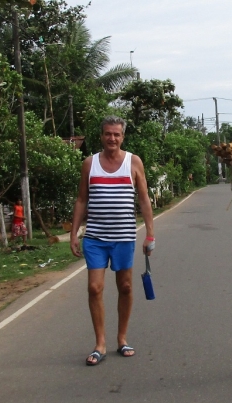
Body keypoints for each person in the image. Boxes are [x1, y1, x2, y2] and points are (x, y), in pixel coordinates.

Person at [70, 116, 154, 366]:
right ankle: (100, 343)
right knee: (94, 288)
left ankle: (122, 338)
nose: (112, 138)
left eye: (117, 134)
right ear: (101, 136)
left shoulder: (133, 162)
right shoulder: (90, 163)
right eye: (108, 134)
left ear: (123, 137)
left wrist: (150, 234)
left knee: (125, 287)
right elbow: (82, 200)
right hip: (95, 237)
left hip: (124, 237)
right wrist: (74, 233)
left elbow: (144, 199)